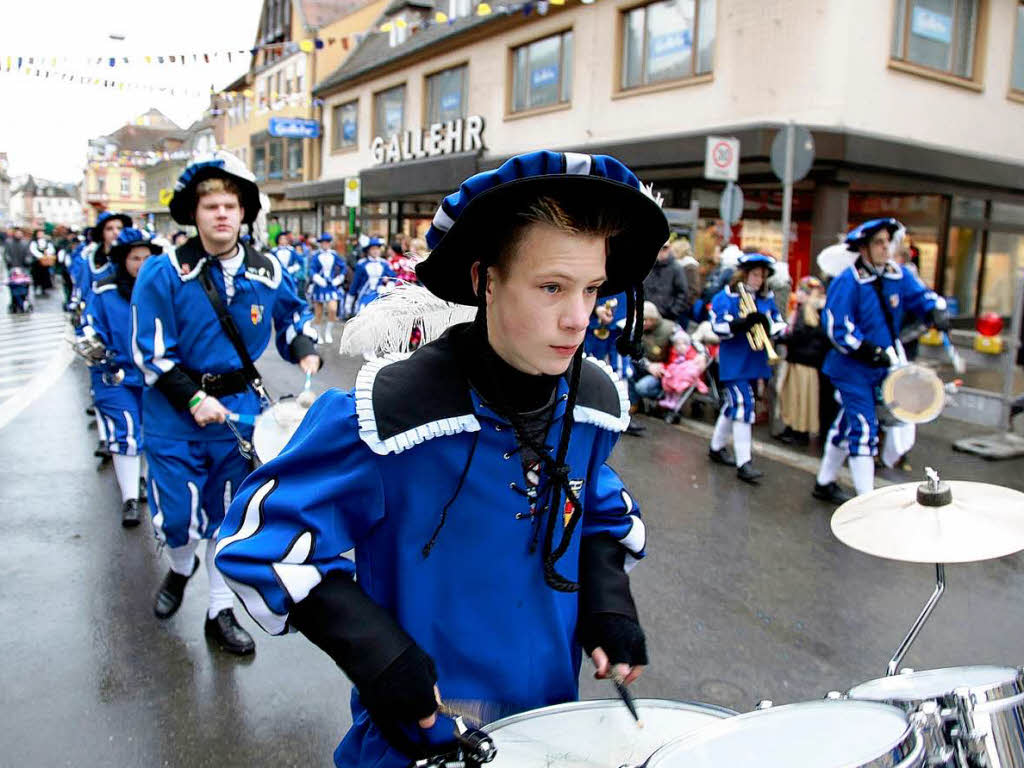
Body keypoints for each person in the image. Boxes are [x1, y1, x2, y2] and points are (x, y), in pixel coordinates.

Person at [215, 150, 663, 768]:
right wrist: (378, 652)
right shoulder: (385, 417)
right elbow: (261, 539)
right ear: (485, 279)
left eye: (592, 289)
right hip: (420, 742)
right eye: (552, 287)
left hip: (552, 728)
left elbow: (601, 511)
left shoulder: (591, 405)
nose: (578, 318)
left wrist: (607, 599)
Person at [131, 151, 321, 654]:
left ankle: (220, 611)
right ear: (194, 214)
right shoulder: (163, 271)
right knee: (177, 518)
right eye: (210, 205)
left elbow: (294, 319)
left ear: (244, 213)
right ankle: (178, 567)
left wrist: (305, 352)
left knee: (225, 515)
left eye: (230, 206)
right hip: (174, 410)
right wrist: (192, 398)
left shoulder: (268, 269)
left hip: (237, 412)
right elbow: (149, 354)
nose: (220, 214)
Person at [812, 218, 948, 503]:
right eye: (878, 243)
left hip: (883, 366)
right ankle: (867, 502)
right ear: (863, 248)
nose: (886, 248)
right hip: (851, 368)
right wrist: (867, 350)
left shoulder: (898, 275)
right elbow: (837, 327)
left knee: (846, 425)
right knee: (863, 427)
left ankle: (824, 482)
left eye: (888, 242)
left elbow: (922, 297)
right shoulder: (847, 281)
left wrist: (935, 310)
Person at [85, 228, 159, 526]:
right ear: (122, 260)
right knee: (126, 430)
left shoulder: (163, 288)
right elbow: (89, 327)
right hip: (114, 374)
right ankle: (130, 498)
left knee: (148, 432)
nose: (141, 264)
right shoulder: (104, 291)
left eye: (147, 257)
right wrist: (96, 348)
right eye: (135, 258)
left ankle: (141, 482)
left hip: (155, 375)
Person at [708, 253, 786, 484]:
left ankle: (715, 447)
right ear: (744, 274)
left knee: (734, 405)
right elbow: (717, 325)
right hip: (734, 362)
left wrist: (768, 324)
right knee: (743, 404)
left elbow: (779, 321)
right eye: (754, 274)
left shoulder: (766, 298)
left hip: (755, 361)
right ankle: (745, 463)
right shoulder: (727, 296)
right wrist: (741, 323)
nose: (758, 280)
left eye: (761, 276)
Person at [776, 276, 828, 446]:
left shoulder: (804, 310)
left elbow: (799, 335)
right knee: (803, 398)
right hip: (807, 361)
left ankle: (798, 431)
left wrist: (782, 338)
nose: (796, 294)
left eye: (800, 290)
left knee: (797, 397)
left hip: (801, 360)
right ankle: (796, 429)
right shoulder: (814, 310)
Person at [309, 232, 347, 343]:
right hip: (319, 286)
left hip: (331, 285)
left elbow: (343, 267)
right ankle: (318, 334)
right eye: (323, 243)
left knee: (333, 309)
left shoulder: (334, 255)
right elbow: (311, 269)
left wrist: (339, 278)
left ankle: (328, 332)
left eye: (327, 242)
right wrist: (317, 278)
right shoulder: (315, 255)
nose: (325, 244)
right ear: (320, 244)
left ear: (330, 243)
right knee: (319, 313)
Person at [344, 236, 395, 317]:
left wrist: (388, 286)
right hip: (365, 295)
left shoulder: (384, 263)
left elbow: (393, 278)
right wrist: (349, 302)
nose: (375, 251)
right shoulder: (361, 264)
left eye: (377, 249)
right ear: (368, 250)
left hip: (380, 295)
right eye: (373, 249)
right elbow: (355, 283)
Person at [643, 238, 690, 325]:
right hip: (646, 317)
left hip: (667, 318)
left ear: (670, 248)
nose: (661, 250)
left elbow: (683, 293)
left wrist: (673, 312)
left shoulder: (676, 268)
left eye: (665, 248)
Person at [28, 229, 55, 295]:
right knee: (36, 275)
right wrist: (40, 256)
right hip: (37, 262)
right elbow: (33, 250)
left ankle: (44, 288)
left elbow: (51, 249)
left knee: (45, 276)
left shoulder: (47, 241)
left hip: (45, 261)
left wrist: (47, 254)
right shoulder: (34, 242)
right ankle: (36, 287)